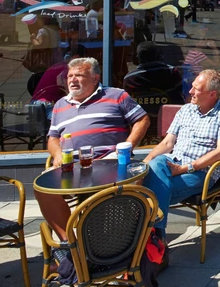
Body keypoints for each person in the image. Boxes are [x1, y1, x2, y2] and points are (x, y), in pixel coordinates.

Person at [34, 57, 150, 240]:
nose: (72, 80)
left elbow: (142, 120)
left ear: (95, 78)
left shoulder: (116, 95)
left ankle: (107, 242)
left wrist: (126, 147)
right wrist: (57, 154)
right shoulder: (60, 105)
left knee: (101, 193)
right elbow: (53, 138)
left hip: (108, 162)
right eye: (70, 76)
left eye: (79, 75)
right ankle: (69, 244)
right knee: (43, 188)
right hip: (71, 166)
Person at [143, 70, 220, 238]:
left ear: (212, 94)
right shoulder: (186, 110)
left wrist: (184, 168)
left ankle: (153, 237)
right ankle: (156, 239)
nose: (190, 91)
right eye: (192, 86)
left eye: (196, 89)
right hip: (171, 162)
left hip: (200, 172)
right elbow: (167, 143)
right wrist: (144, 163)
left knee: (150, 191)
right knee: (155, 164)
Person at [30, 45, 87, 119]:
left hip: (37, 103)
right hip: (46, 103)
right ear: (77, 57)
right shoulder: (68, 68)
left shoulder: (59, 66)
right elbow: (67, 89)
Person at [123, 41, 183, 106]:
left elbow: (127, 103)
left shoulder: (129, 79)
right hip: (170, 111)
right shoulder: (172, 72)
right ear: (159, 56)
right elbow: (182, 93)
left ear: (137, 58)